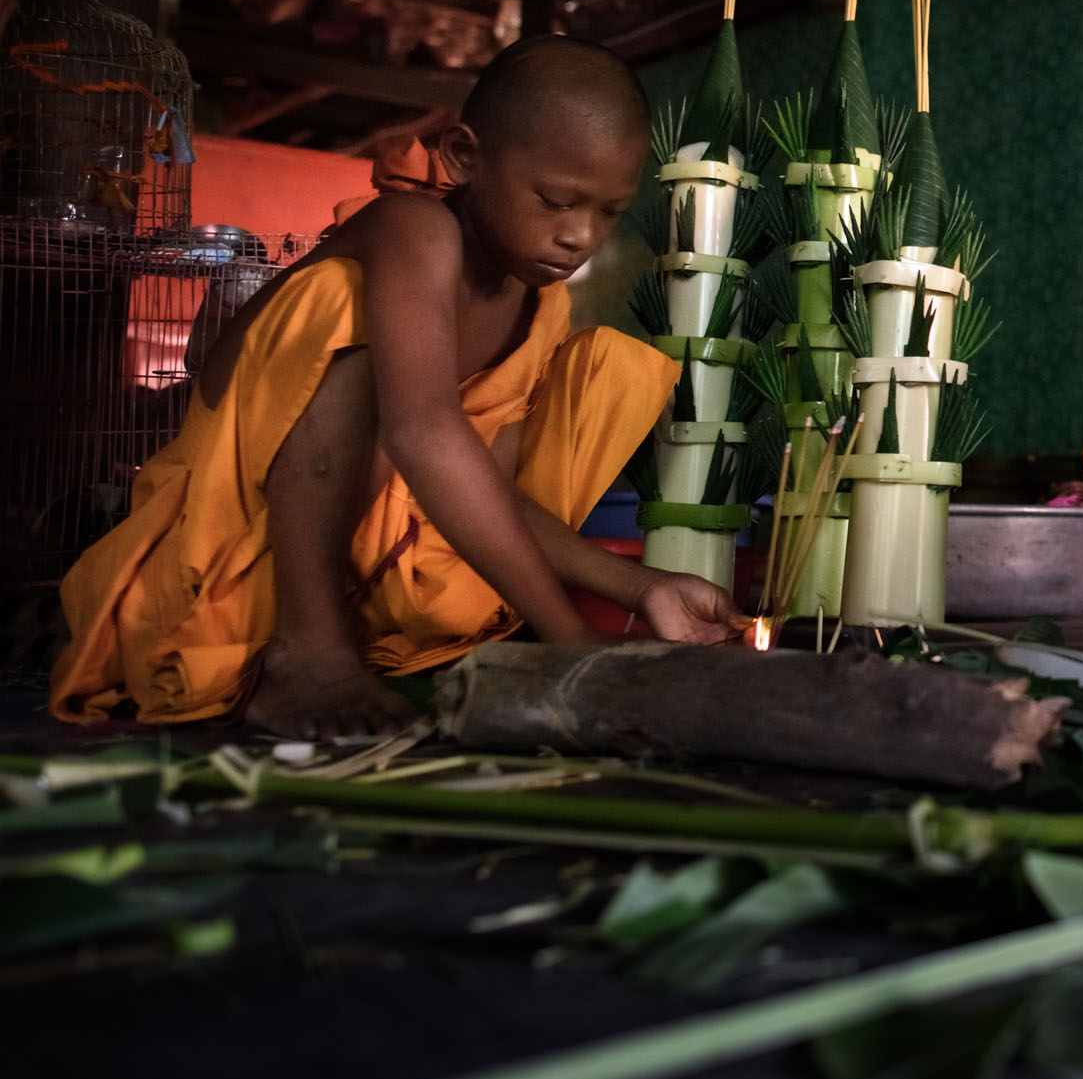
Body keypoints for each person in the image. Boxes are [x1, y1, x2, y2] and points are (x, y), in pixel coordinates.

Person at [51, 37, 742, 739]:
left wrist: (643, 586)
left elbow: (490, 494)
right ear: (465, 156)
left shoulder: (538, 304)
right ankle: (309, 649)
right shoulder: (413, 232)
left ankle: (378, 636)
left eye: (607, 213)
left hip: (371, 565)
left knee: (611, 366)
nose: (578, 237)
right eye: (557, 201)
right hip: (234, 551)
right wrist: (566, 636)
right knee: (338, 302)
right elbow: (423, 431)